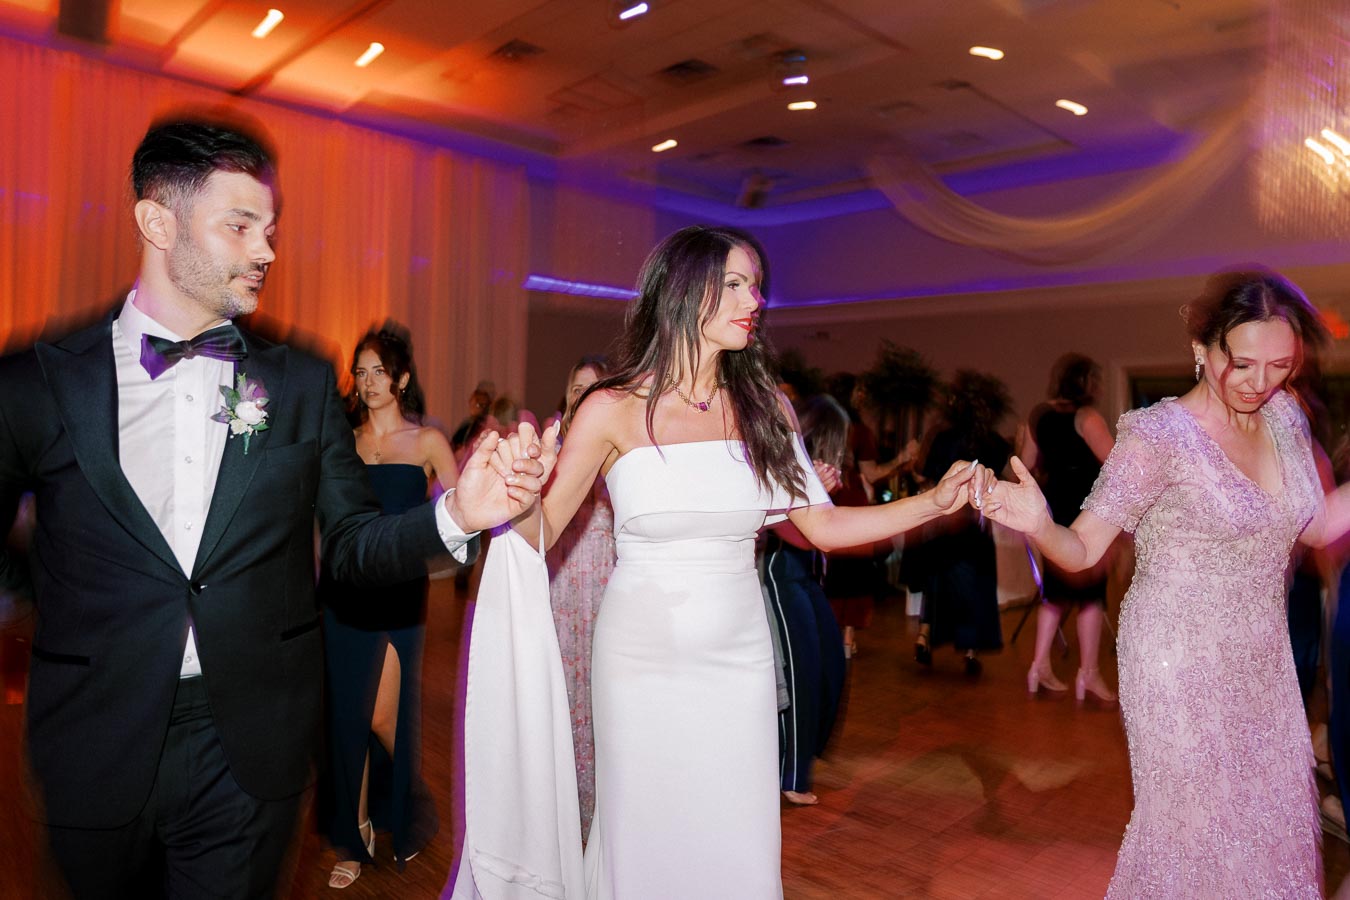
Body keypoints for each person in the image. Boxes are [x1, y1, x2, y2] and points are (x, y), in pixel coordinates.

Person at [0, 116, 542, 898]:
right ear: (156, 221)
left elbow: (352, 542)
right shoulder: (40, 380)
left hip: (250, 748)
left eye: (271, 227)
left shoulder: (299, 381)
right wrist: (46, 604)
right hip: (95, 738)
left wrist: (458, 513)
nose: (267, 251)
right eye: (240, 224)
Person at [451, 225, 982, 899]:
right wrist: (518, 494)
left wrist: (933, 502)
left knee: (735, 830)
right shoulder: (610, 409)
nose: (752, 297)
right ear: (683, 292)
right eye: (733, 283)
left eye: (755, 284)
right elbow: (541, 531)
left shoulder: (768, 410)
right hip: (641, 660)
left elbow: (820, 526)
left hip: (738, 658)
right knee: (643, 827)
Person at [983, 269, 1346, 896]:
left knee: (1276, 822)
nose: (1262, 384)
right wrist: (1041, 524)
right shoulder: (1158, 437)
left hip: (1261, 658)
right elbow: (1082, 548)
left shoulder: (1285, 419)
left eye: (1281, 366)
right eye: (1243, 364)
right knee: (1197, 836)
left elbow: (1315, 527)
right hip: (1176, 660)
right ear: (1201, 349)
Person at [322, 326, 458, 888]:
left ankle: (406, 803)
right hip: (344, 592)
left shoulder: (427, 443)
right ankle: (354, 836)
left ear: (401, 379)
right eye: (361, 371)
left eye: (379, 371)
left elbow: (462, 513)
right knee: (348, 716)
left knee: (384, 715)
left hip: (401, 593)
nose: (368, 381)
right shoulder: (342, 442)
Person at [763, 394, 849, 806]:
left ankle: (800, 764)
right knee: (798, 676)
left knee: (829, 667)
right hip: (780, 571)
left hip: (806, 575)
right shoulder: (781, 461)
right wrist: (814, 488)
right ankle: (792, 775)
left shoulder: (806, 466)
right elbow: (791, 528)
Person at [1018, 353, 1117, 701]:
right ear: (1086, 382)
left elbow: (1027, 465)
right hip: (1085, 510)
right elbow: (1115, 463)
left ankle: (1038, 667)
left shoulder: (1038, 416)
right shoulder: (1087, 417)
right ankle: (1087, 675)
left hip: (1053, 507)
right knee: (1091, 597)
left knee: (1054, 595)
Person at [546, 355, 616, 840]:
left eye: (593, 387)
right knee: (560, 701)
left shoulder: (618, 440)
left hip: (606, 590)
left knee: (601, 702)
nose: (582, 395)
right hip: (559, 587)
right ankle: (562, 821)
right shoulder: (554, 443)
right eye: (576, 387)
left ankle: (600, 823)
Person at [914, 370, 1010, 675]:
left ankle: (924, 636)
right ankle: (970, 651)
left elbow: (923, 475)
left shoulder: (943, 438)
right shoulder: (993, 442)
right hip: (975, 523)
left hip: (942, 520)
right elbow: (1001, 481)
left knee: (937, 582)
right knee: (977, 586)